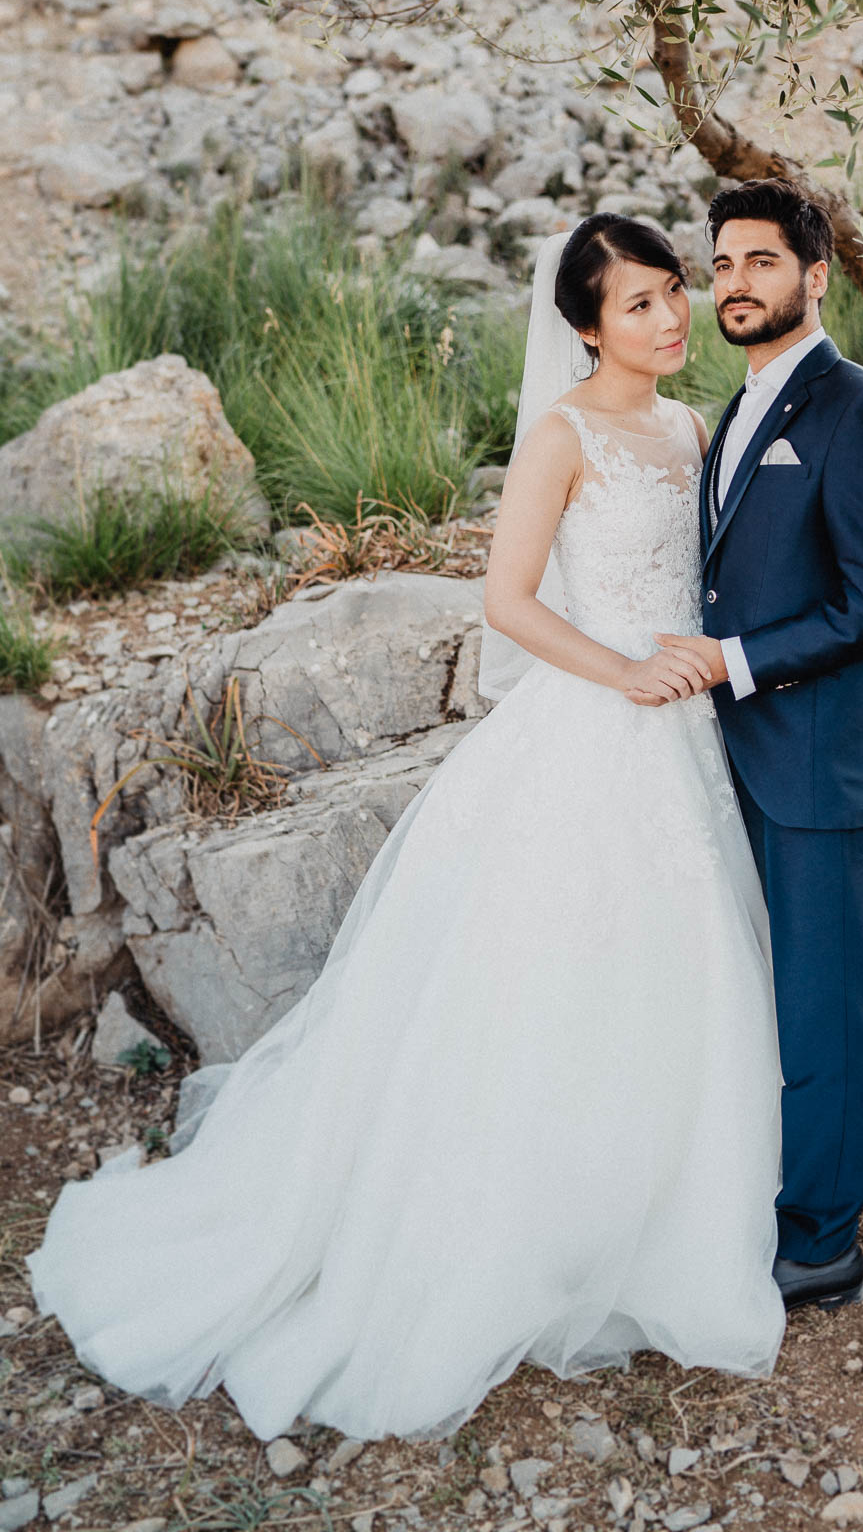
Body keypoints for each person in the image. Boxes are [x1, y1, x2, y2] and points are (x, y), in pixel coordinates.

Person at [24, 215, 787, 1445]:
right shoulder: (563, 435)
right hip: (599, 722)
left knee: (678, 963)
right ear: (585, 326)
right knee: (552, 971)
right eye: (637, 304)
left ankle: (662, 1212)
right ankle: (522, 1227)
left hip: (684, 731)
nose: (668, 318)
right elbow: (506, 600)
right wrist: (620, 670)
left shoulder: (690, 426)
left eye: (671, 295)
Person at [657, 178, 863, 1313]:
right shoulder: (737, 410)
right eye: (721, 265)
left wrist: (736, 661)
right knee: (748, 992)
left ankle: (819, 1240)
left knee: (823, 1006)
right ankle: (747, 1190)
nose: (735, 284)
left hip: (813, 759)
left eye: (760, 262)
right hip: (722, 755)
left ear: (816, 277)